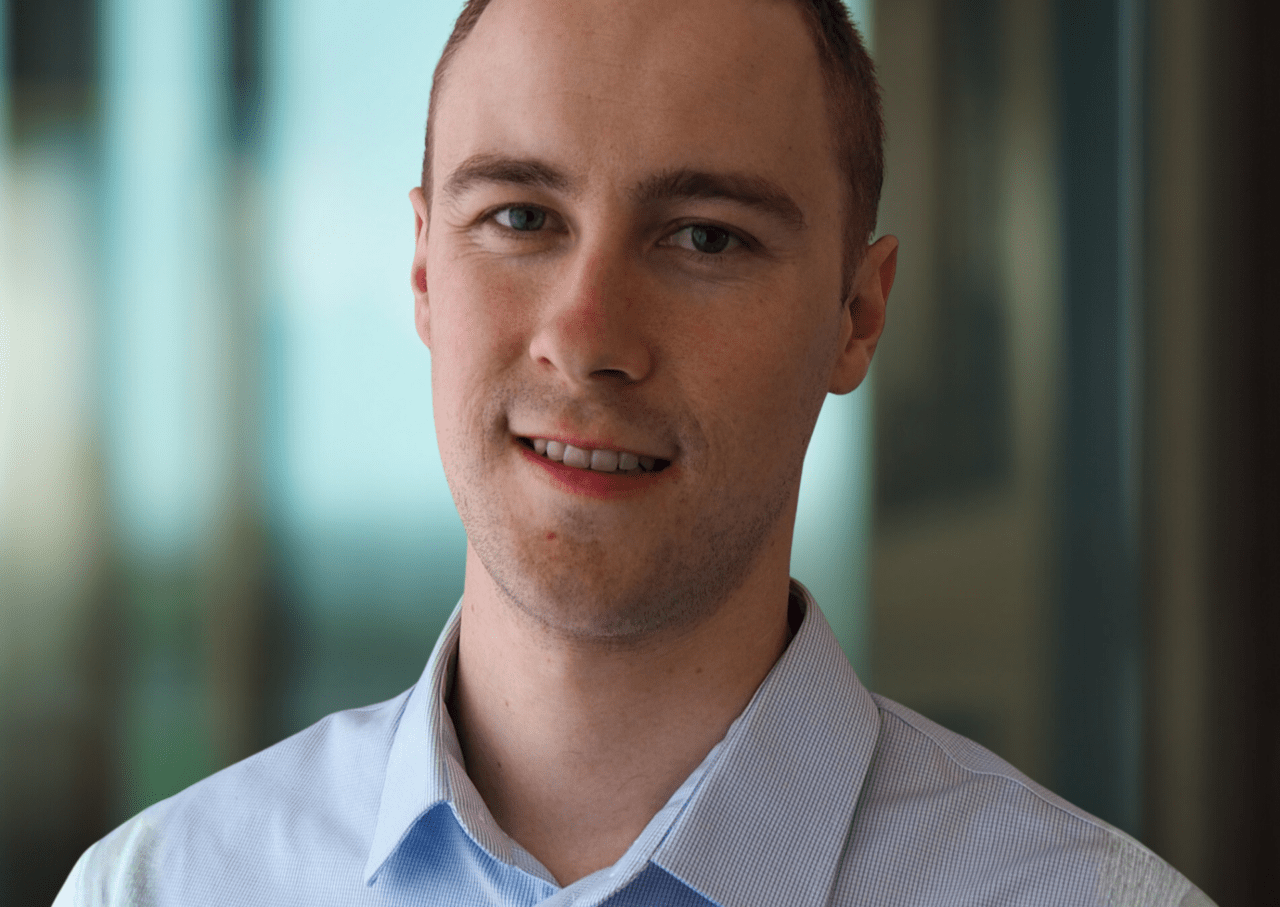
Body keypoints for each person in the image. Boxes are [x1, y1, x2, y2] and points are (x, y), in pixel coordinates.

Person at [55, 0, 1213, 904]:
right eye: (518, 218)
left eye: (705, 236)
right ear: (421, 272)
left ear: (856, 316)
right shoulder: (157, 887)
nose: (586, 336)